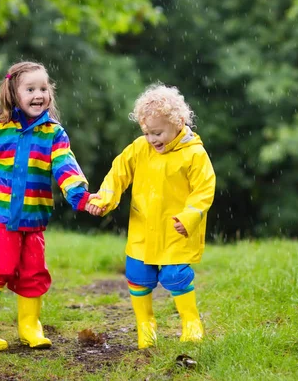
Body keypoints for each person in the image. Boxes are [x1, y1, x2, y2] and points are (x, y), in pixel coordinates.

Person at [0, 61, 97, 352]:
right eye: (30, 89)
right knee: (0, 266)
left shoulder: (54, 134)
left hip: (33, 214)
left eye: (43, 88)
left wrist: (80, 196)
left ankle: (30, 326)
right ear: (13, 94)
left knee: (33, 270)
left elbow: (66, 167)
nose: (38, 94)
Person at [86, 83, 216, 349]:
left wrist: (189, 217)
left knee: (175, 276)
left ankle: (190, 321)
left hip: (176, 230)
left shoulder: (194, 154)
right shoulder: (139, 149)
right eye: (147, 133)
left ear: (179, 122)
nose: (152, 139)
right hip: (143, 228)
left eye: (158, 133)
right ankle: (146, 325)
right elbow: (118, 173)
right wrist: (104, 199)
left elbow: (204, 190)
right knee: (138, 275)